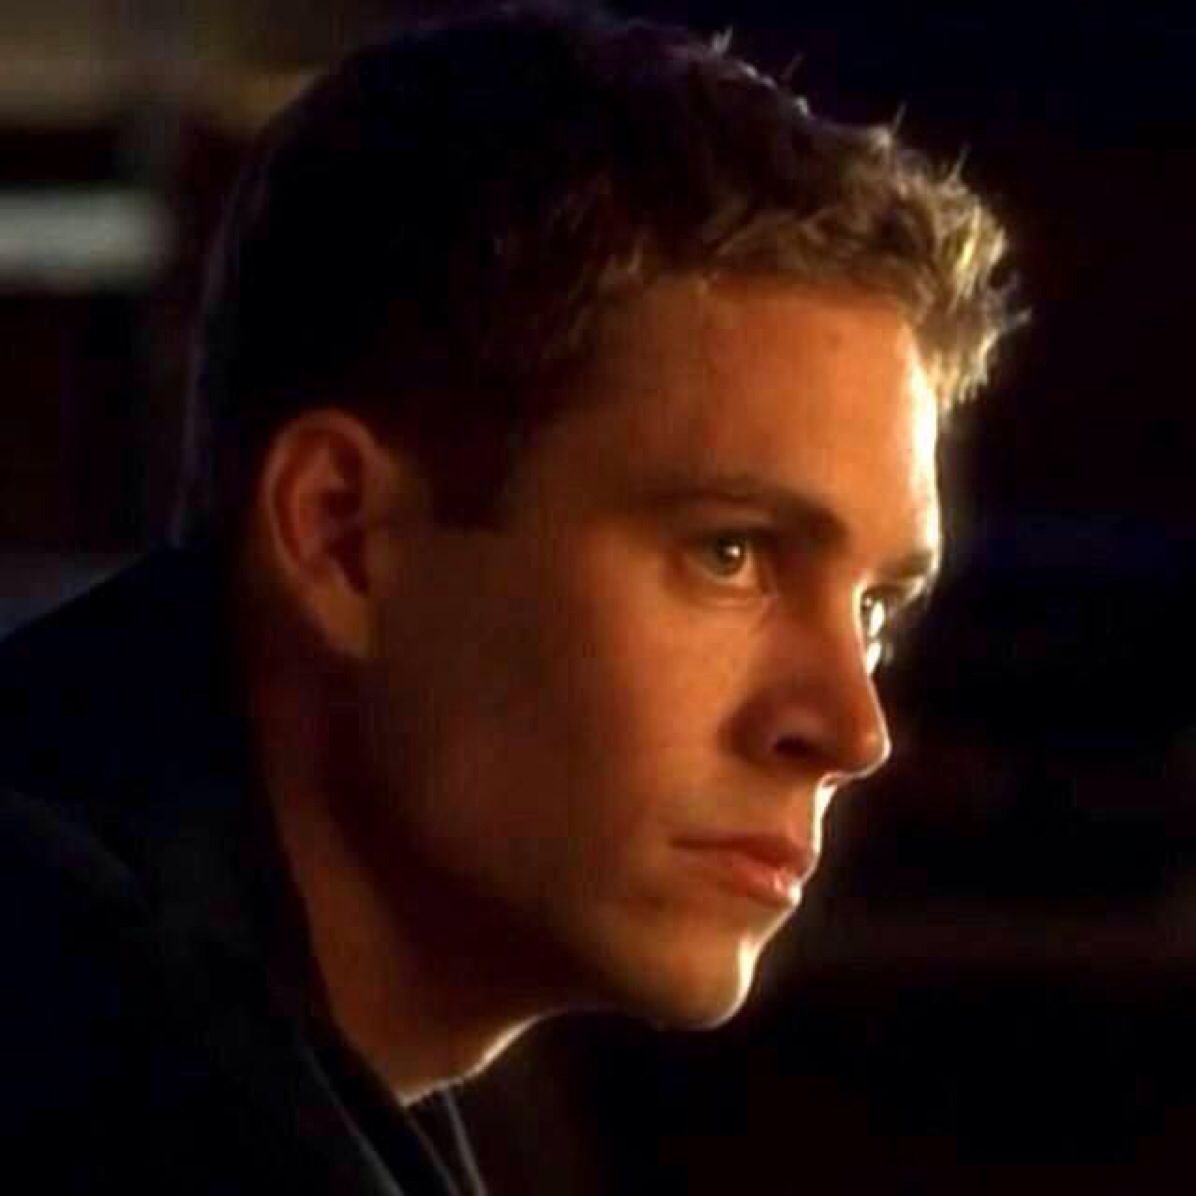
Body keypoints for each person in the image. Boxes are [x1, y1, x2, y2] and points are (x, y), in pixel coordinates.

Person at [0, 5, 1013, 1193]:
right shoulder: (112, 1070)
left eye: (874, 610)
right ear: (343, 536)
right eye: (730, 553)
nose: (850, 729)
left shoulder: (234, 1030)